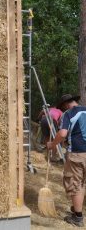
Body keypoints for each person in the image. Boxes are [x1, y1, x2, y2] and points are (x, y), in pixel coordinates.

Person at [47, 94, 86, 227]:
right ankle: (77, 209)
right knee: (83, 183)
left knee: (75, 184)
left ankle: (78, 217)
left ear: (65, 105)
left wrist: (52, 144)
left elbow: (62, 133)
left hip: (78, 153)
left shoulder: (68, 114)